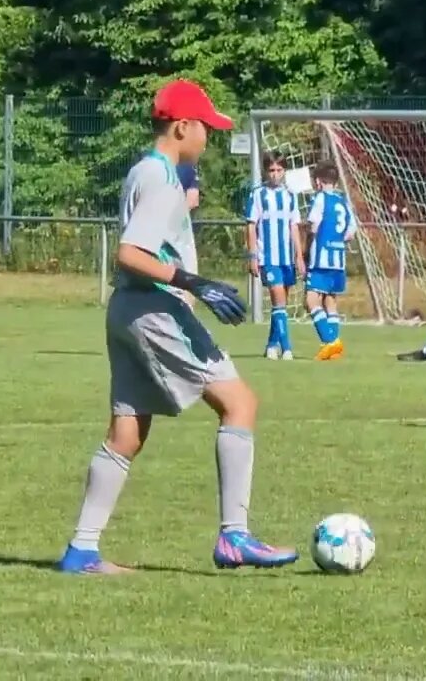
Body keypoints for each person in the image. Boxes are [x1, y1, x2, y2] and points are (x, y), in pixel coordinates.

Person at [56, 79, 298, 575]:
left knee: (126, 433)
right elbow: (131, 251)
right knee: (240, 402)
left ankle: (82, 551)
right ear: (182, 126)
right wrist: (194, 281)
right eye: (205, 128)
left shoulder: (148, 171)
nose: (208, 138)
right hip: (156, 309)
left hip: (126, 309)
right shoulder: (164, 180)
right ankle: (235, 536)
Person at [246, 153, 305, 360]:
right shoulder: (257, 194)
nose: (275, 174)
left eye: (279, 170)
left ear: (284, 171)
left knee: (280, 304)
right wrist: (252, 255)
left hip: (286, 258)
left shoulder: (290, 195)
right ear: (265, 171)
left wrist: (299, 255)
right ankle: (287, 348)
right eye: (272, 170)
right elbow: (251, 226)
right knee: (278, 301)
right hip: (267, 258)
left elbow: (294, 226)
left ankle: (271, 345)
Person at [304, 161, 357, 361]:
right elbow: (351, 233)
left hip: (321, 258)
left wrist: (306, 249)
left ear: (318, 181)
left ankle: (330, 341)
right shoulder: (343, 201)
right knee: (330, 302)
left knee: (311, 300)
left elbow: (314, 227)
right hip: (338, 259)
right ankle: (335, 349)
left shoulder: (320, 199)